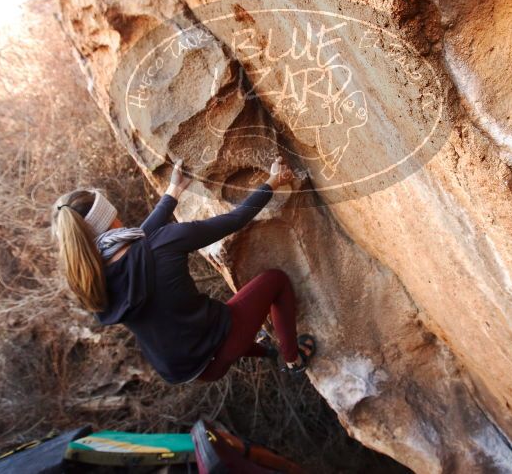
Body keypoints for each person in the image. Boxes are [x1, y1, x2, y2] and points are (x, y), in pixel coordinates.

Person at [51, 157, 316, 385]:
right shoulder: (164, 243)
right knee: (275, 281)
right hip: (217, 348)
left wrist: (173, 191)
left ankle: (266, 350)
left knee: (220, 326)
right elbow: (234, 220)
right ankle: (293, 360)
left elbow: (143, 238)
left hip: (184, 370)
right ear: (111, 218)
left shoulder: (92, 277)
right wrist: (272, 182)